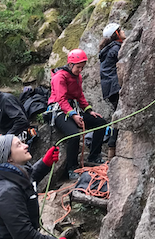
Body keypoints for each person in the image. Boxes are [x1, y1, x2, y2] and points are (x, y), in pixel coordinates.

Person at [48, 49, 106, 179]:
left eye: (82, 67)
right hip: (58, 111)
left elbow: (80, 96)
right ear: (70, 64)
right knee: (74, 135)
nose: (80, 70)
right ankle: (71, 168)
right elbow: (61, 99)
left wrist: (89, 111)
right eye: (78, 67)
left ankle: (94, 155)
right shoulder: (60, 77)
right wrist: (73, 115)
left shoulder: (77, 77)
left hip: (72, 109)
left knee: (100, 123)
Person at [98, 23, 125, 161]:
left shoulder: (108, 49)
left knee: (118, 115)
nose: (124, 31)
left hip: (109, 88)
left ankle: (111, 150)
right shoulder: (115, 48)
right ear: (116, 34)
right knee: (120, 116)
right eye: (121, 30)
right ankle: (112, 148)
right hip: (115, 86)